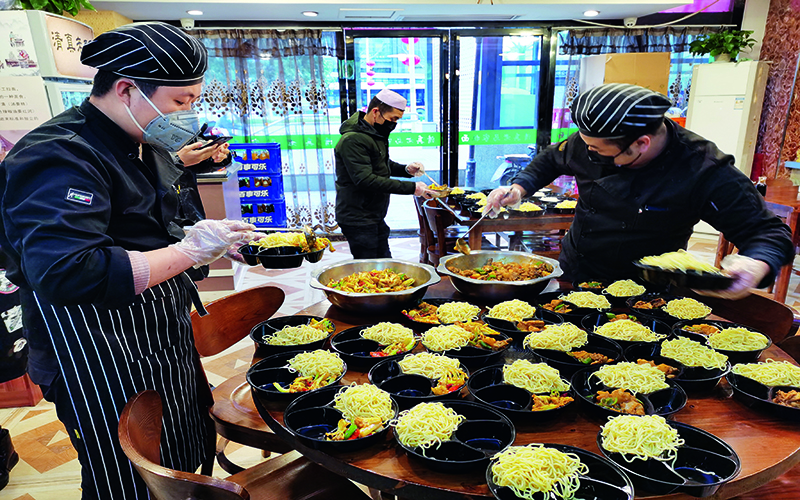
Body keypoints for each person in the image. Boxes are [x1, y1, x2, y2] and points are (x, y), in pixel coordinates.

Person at [0, 22, 262, 499]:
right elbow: (68, 271)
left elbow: (158, 223)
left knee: (183, 448)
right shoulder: (59, 156)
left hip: (159, 331)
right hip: (93, 349)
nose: (189, 113)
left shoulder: (147, 143)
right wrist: (187, 251)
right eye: (181, 101)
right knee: (125, 474)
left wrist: (212, 241)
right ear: (126, 89)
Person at [486, 83, 794, 300]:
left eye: (597, 151)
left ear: (641, 143)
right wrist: (519, 186)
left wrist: (755, 264)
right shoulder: (596, 138)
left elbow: (768, 233)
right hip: (576, 267)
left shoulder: (703, 168)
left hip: (646, 289)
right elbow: (552, 158)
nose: (587, 153)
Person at [334, 88, 437, 258]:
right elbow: (365, 179)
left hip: (373, 214)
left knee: (383, 264)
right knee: (370, 268)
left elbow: (381, 164)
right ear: (376, 112)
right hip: (358, 216)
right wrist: (413, 188)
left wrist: (406, 170)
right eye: (392, 118)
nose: (394, 124)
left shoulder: (373, 133)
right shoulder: (353, 139)